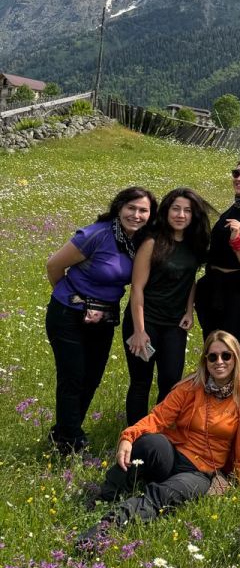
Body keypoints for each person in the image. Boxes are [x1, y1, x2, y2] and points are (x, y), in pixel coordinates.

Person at [78, 331, 240, 546]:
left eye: (226, 356)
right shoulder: (191, 386)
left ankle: (106, 528)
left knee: (161, 495)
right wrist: (128, 437)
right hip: (173, 454)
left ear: (236, 358)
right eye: (212, 357)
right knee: (148, 442)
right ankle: (104, 498)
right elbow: (158, 417)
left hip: (200, 471)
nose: (219, 362)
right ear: (205, 360)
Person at [45, 186, 157, 453]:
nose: (136, 215)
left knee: (91, 378)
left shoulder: (137, 241)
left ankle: (62, 431)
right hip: (69, 315)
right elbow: (54, 265)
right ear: (119, 208)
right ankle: (71, 442)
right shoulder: (95, 234)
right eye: (131, 208)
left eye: (143, 210)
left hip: (104, 318)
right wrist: (74, 300)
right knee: (73, 377)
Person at [123, 187, 213, 423]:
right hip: (145, 320)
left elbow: (189, 279)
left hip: (174, 323)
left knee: (171, 380)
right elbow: (137, 288)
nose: (181, 215)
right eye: (176, 209)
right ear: (166, 211)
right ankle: (135, 435)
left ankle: (159, 431)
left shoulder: (195, 244)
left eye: (187, 210)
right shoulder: (152, 242)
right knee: (141, 381)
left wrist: (189, 311)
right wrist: (139, 331)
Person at [195, 157, 240, 369]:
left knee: (234, 356)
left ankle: (238, 391)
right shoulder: (234, 208)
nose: (239, 178)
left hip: (238, 296)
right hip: (213, 290)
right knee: (213, 354)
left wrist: (237, 242)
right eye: (236, 173)